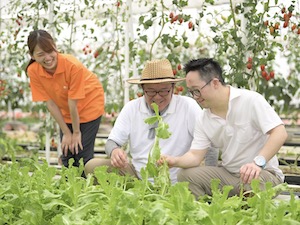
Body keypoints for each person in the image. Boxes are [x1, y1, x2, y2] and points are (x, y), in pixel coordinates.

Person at [159, 58, 288, 198]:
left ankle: (242, 212)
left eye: (197, 91)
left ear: (215, 83)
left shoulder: (250, 100)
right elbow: (195, 156)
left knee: (254, 182)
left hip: (263, 174)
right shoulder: (204, 118)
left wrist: (257, 163)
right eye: (191, 92)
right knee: (186, 175)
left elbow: (279, 133)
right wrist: (174, 161)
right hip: (230, 175)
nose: (195, 97)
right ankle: (209, 215)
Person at [84, 59, 219, 184]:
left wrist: (208, 177)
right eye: (151, 92)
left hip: (180, 178)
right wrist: (114, 151)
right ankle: (136, 192)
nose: (158, 97)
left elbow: (210, 143)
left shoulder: (187, 106)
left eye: (164, 91)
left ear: (173, 88)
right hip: (138, 177)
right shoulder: (132, 108)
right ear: (143, 89)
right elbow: (112, 142)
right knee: (93, 166)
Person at [25, 29, 105, 169]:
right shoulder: (33, 71)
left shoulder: (72, 65)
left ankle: (88, 189)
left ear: (55, 47)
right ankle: (70, 189)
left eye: (50, 51)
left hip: (90, 104)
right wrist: (67, 133)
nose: (48, 57)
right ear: (32, 55)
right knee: (67, 154)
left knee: (82, 154)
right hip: (67, 110)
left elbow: (72, 102)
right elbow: (50, 104)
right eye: (41, 54)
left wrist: (76, 132)